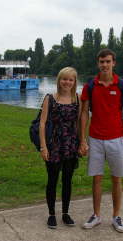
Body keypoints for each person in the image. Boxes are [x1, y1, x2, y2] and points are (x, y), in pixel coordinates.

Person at [79, 49, 123, 233]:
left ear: (113, 63)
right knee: (97, 178)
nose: (104, 65)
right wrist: (83, 138)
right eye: (101, 61)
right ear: (98, 63)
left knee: (116, 179)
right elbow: (84, 112)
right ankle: (96, 215)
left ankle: (116, 216)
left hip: (116, 139)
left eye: (108, 61)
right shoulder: (90, 86)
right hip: (95, 138)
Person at [39, 67, 81, 229]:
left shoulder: (77, 98)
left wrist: (81, 142)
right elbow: (42, 124)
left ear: (74, 82)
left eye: (71, 79)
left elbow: (78, 123)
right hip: (54, 144)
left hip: (70, 145)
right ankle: (51, 214)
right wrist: (43, 147)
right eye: (64, 79)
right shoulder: (50, 98)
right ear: (59, 80)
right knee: (52, 180)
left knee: (67, 181)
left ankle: (65, 213)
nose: (67, 82)